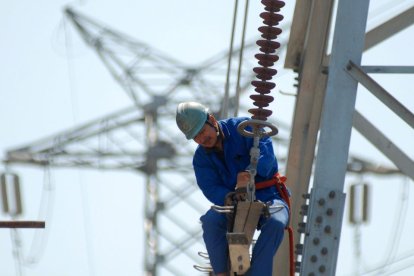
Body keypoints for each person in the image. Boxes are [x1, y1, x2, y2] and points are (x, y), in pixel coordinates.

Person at [176, 101, 289, 276]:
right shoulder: (201, 159)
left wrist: (248, 173)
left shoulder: (245, 129)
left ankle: (258, 273)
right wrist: (229, 196)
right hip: (233, 204)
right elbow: (210, 187)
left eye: (202, 131)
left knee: (276, 222)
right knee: (210, 221)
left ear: (212, 120)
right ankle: (221, 272)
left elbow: (266, 162)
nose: (201, 139)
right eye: (196, 137)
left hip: (269, 195)